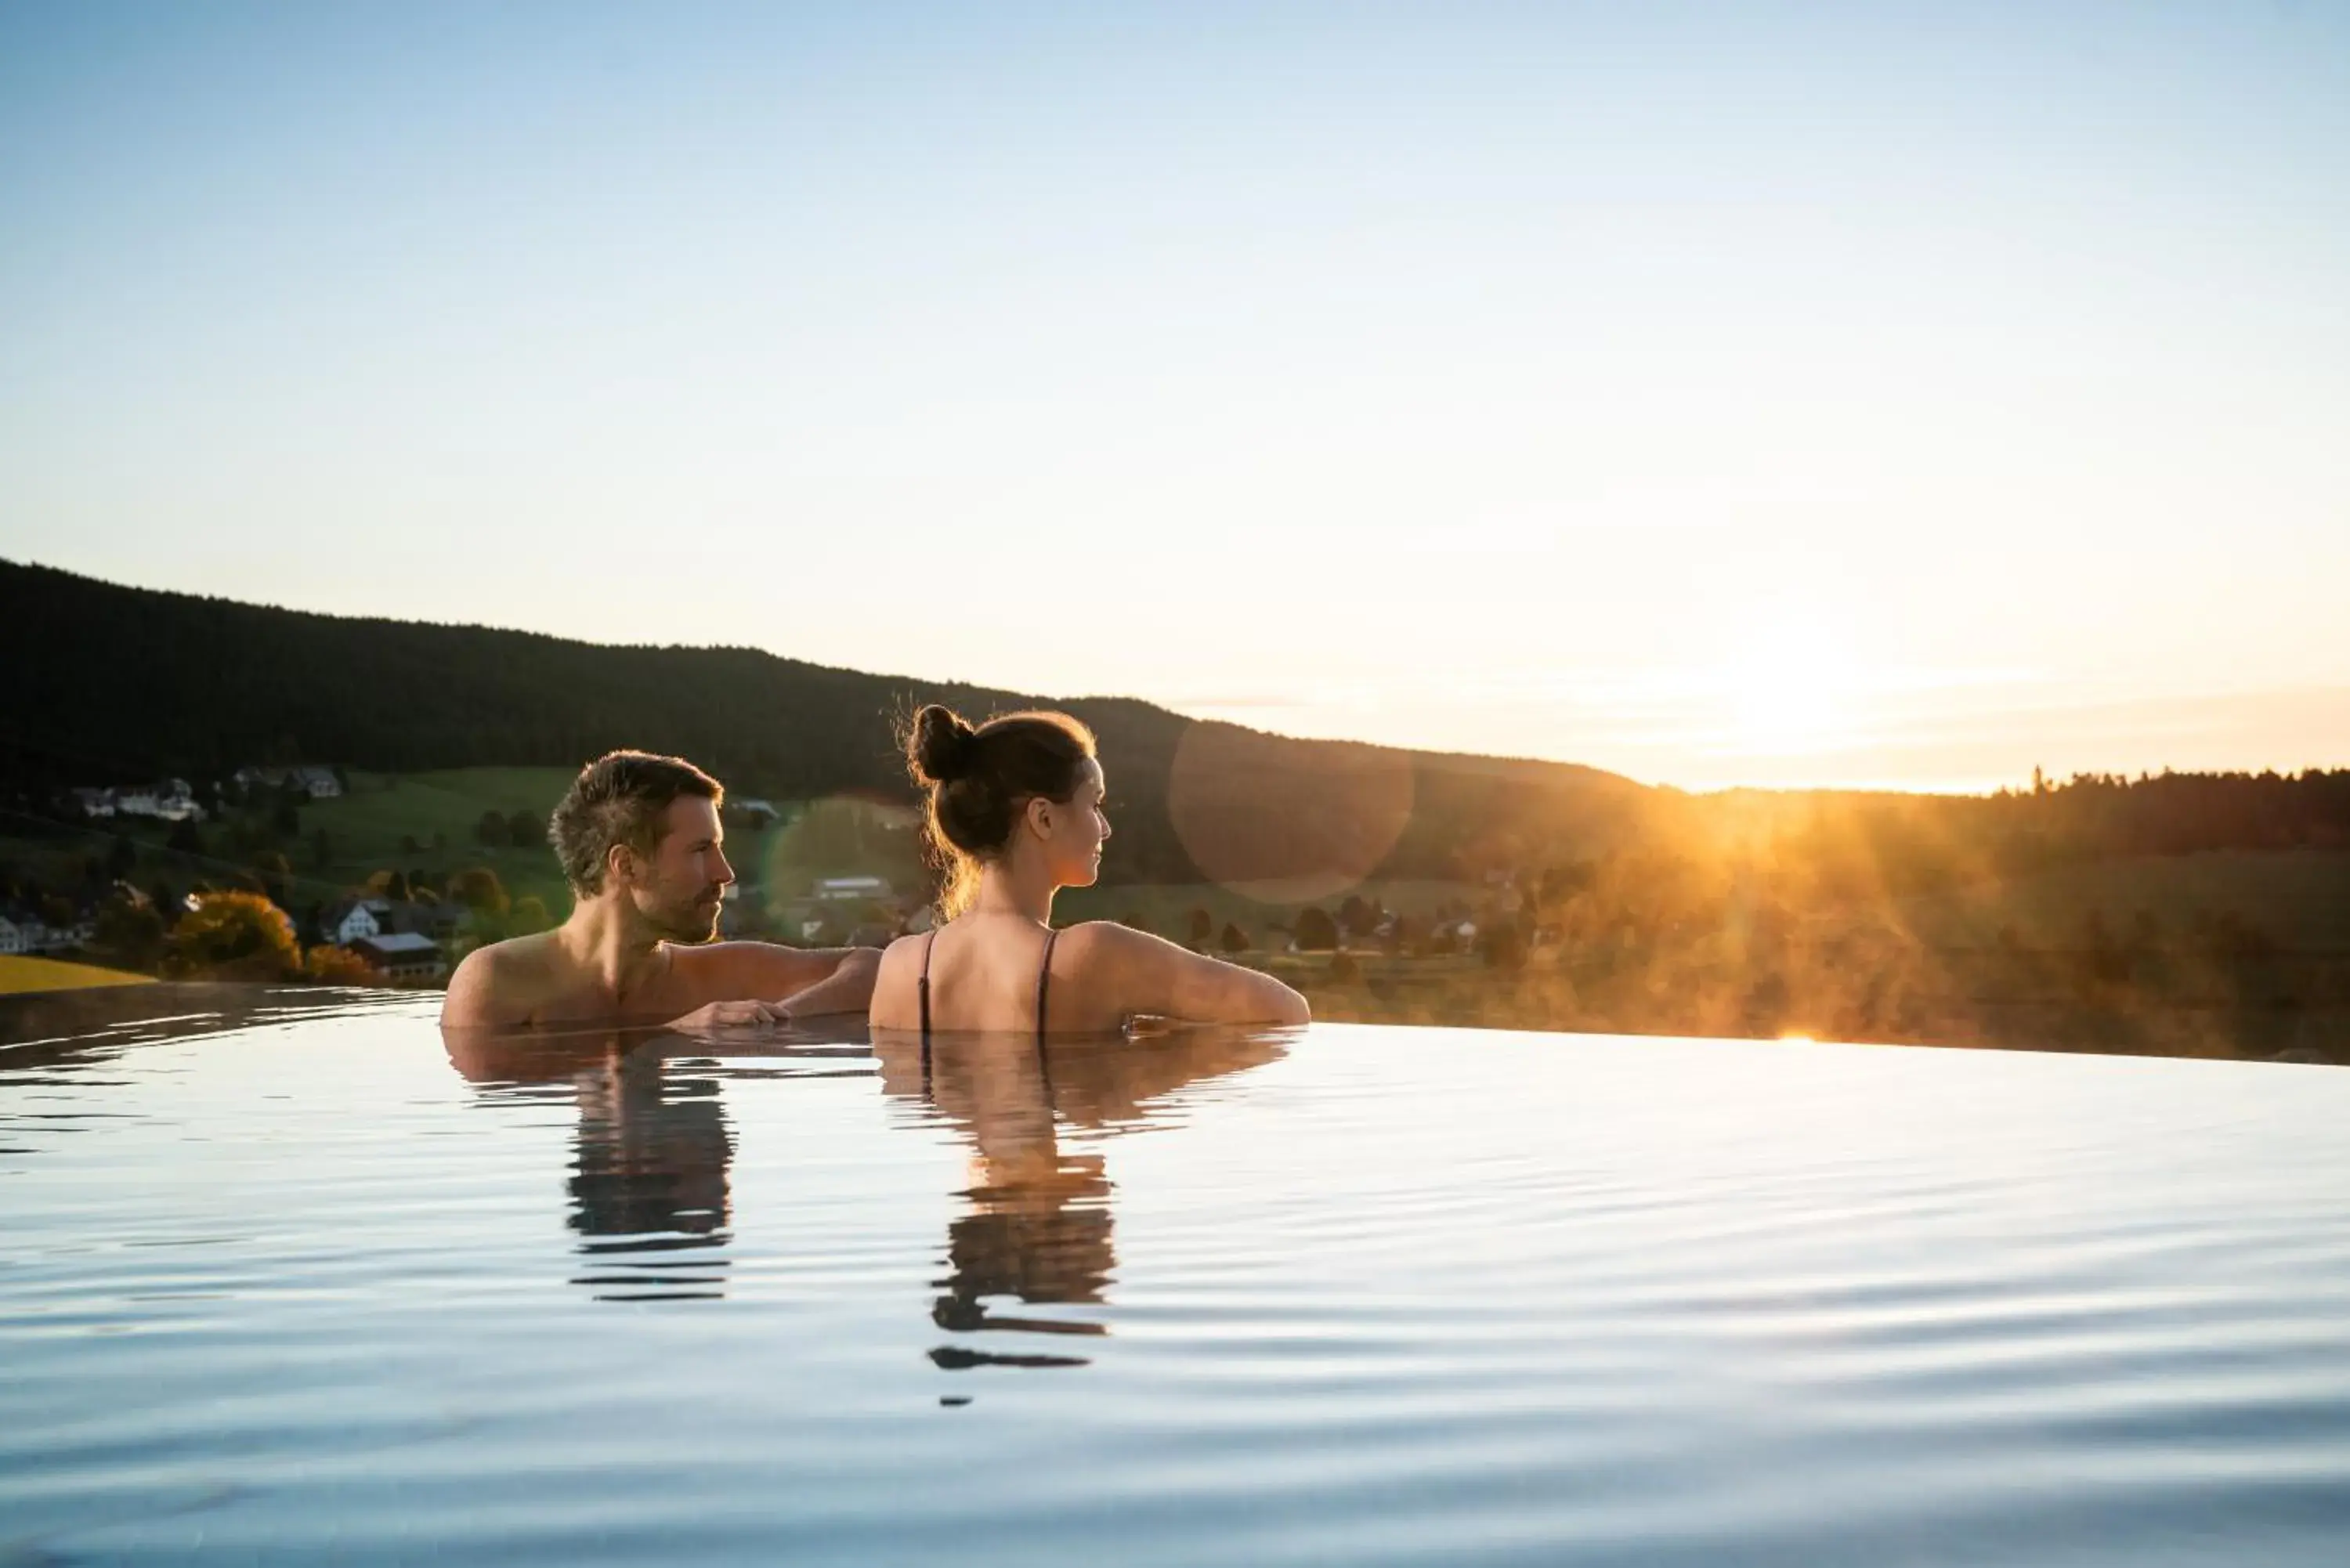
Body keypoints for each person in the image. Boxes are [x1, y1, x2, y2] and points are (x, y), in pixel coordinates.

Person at [870, 706, 1309, 1037]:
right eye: (1094, 804)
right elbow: (1288, 1012)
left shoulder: (901, 967)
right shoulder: (1096, 956)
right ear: (1043, 818)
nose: (1105, 827)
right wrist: (1160, 1059)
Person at [440, 750, 878, 1031]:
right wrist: (671, 1038)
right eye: (700, 850)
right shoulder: (499, 981)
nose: (724, 873)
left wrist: (773, 1021)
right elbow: (494, 1094)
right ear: (626, 865)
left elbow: (873, 968)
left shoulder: (721, 976)